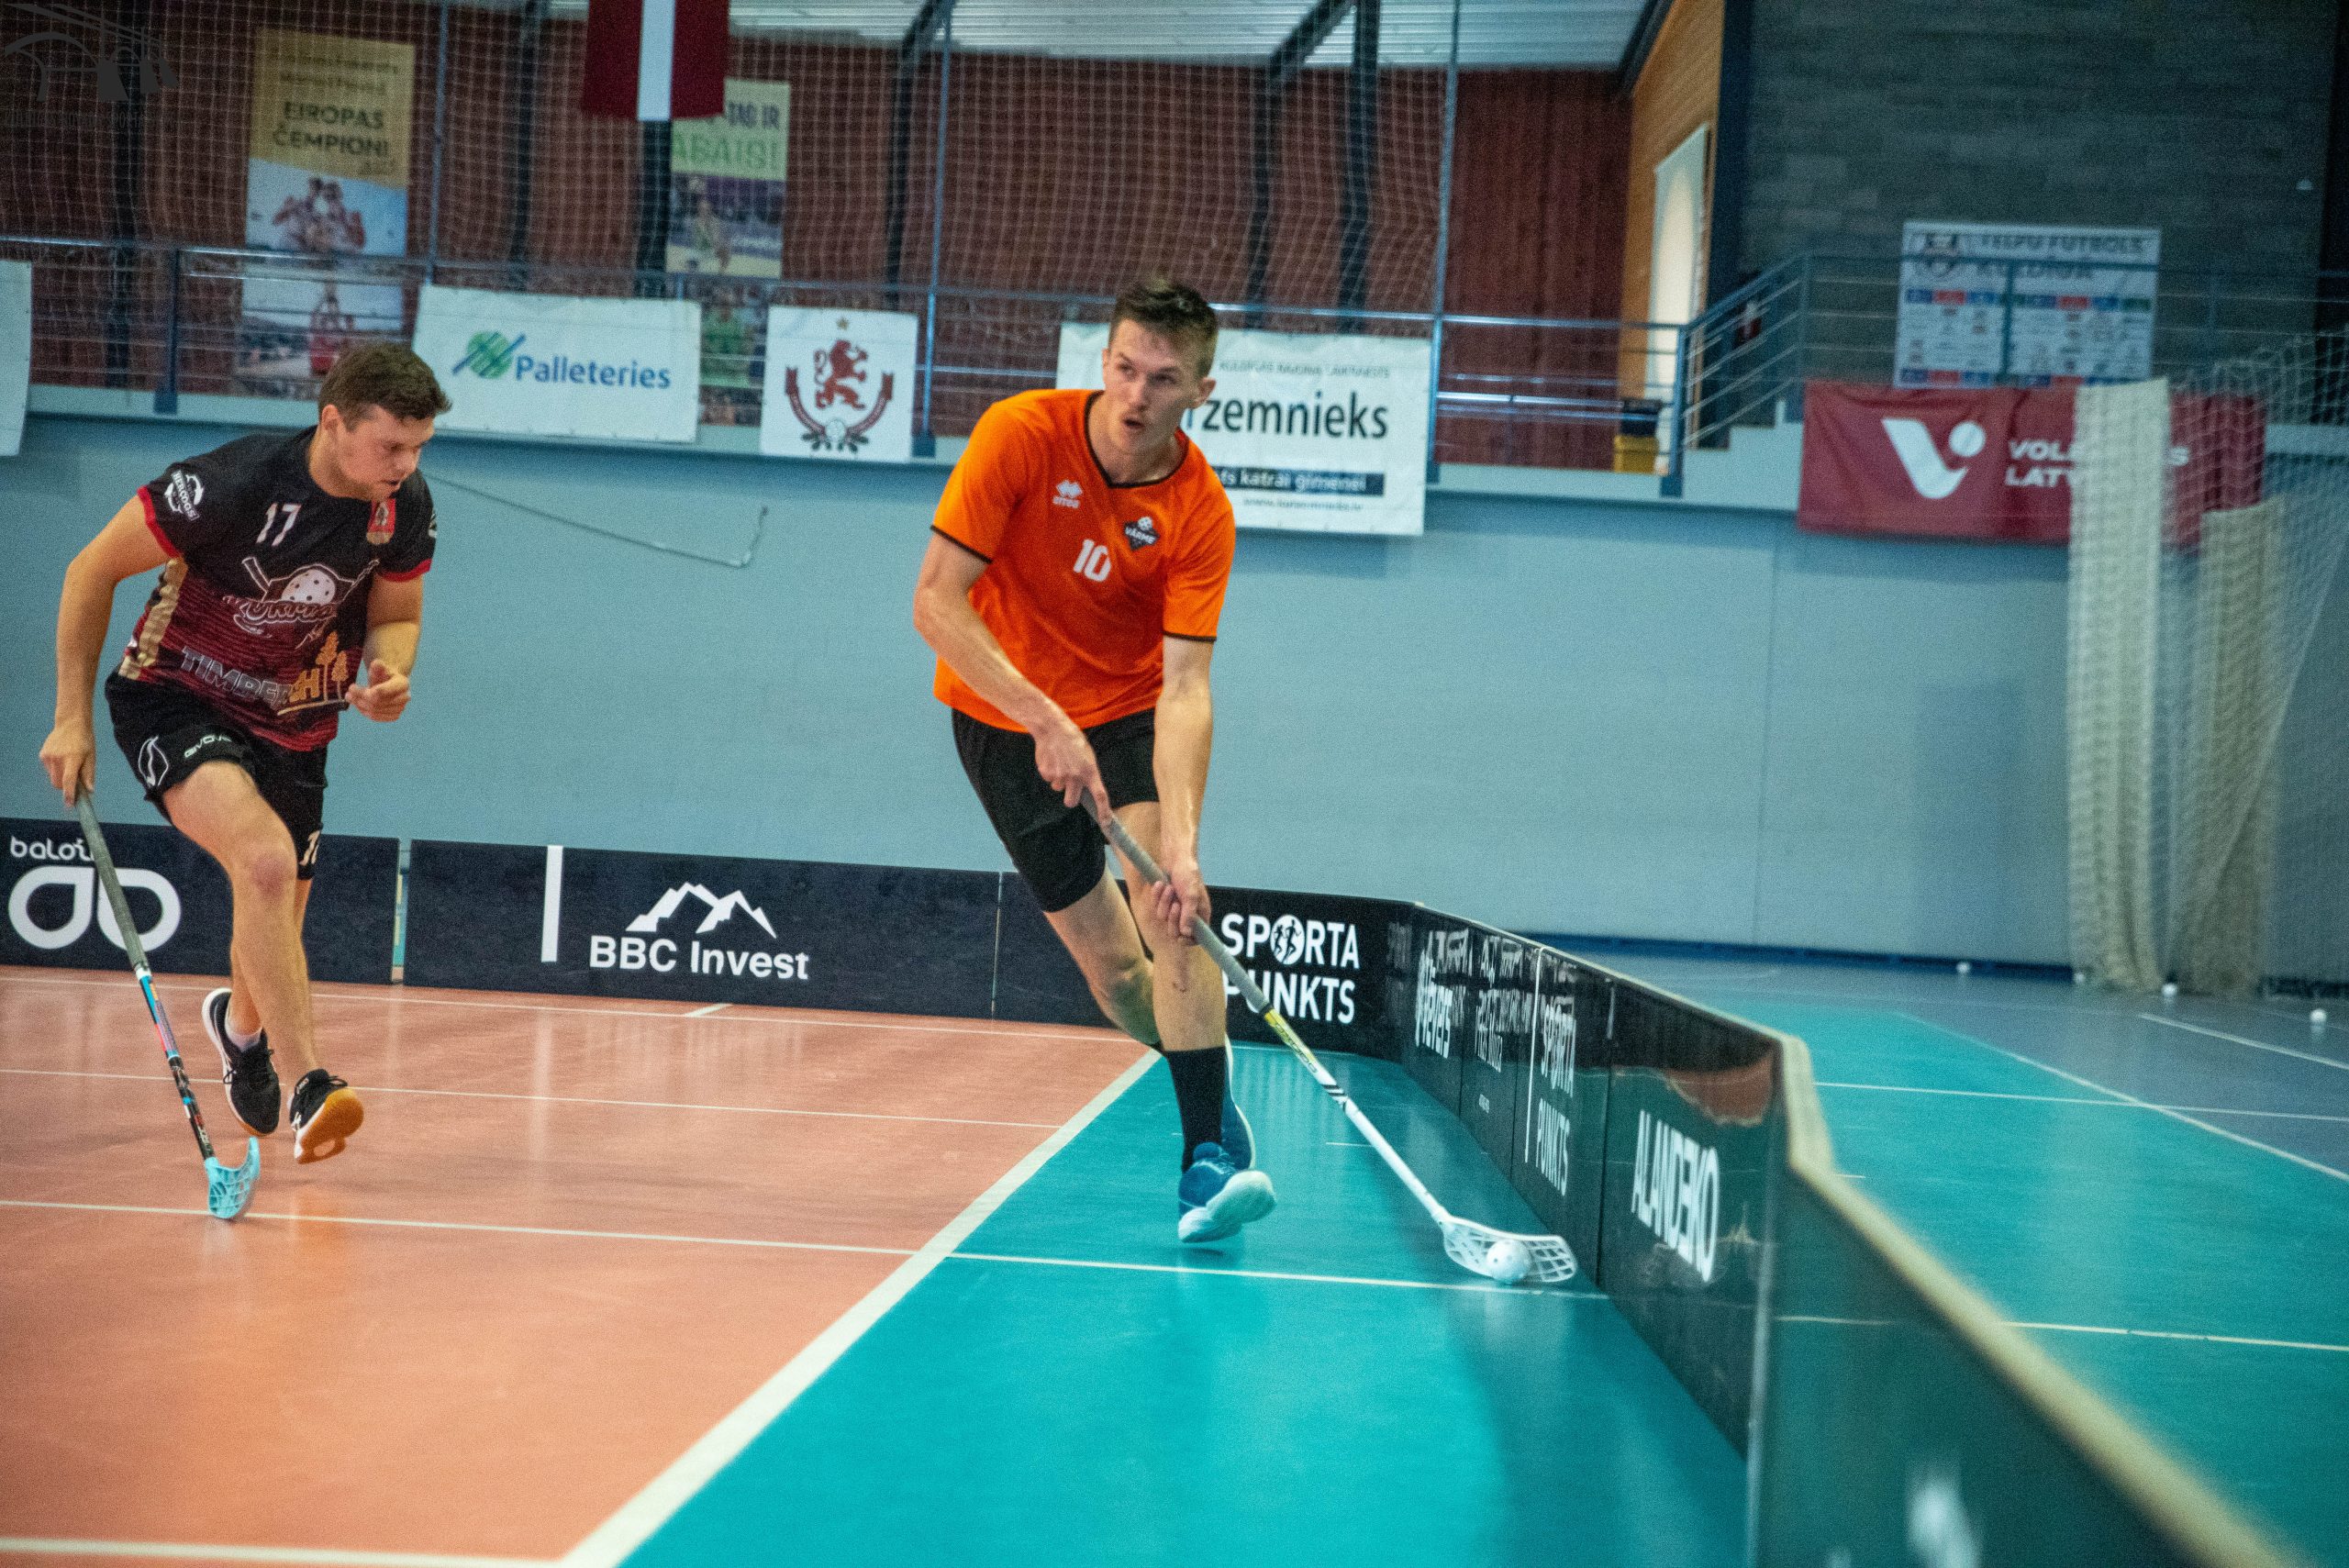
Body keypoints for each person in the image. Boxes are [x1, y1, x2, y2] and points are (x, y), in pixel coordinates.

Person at [912, 276, 1275, 1243]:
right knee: (1116, 977)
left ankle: (1204, 1157)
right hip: (999, 714)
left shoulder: (1200, 512)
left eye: (1163, 379)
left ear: (1200, 391)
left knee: (1173, 914)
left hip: (1123, 715)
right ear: (1102, 360)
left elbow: (1186, 687)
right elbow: (935, 601)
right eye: (1124, 367)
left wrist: (1183, 846)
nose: (1135, 396)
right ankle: (1209, 1074)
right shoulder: (1020, 434)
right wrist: (1040, 716)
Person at [39, 344, 449, 1164]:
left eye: (418, 447)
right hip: (176, 696)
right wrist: (69, 717)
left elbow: (397, 613)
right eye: (391, 445)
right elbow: (91, 569)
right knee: (263, 861)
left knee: (275, 913)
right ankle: (311, 1086)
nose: (406, 464)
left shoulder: (400, 506)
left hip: (297, 723)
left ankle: (240, 1030)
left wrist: (389, 670)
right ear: (333, 422)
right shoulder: (231, 485)